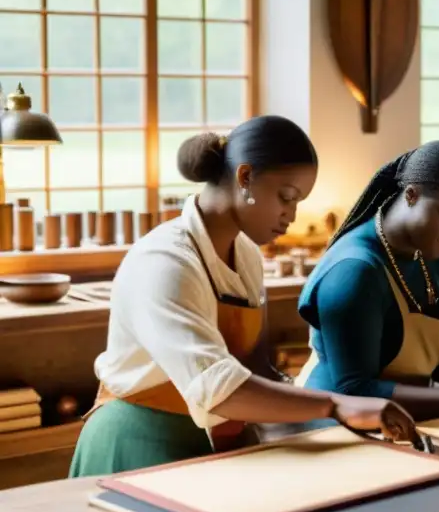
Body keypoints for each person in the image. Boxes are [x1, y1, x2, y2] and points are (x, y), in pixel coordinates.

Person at [69, 117, 418, 478]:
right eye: (286, 197)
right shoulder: (164, 262)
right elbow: (220, 389)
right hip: (138, 441)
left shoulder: (246, 254)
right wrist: (335, 405)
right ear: (245, 177)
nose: (292, 215)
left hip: (212, 439)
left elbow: (253, 366)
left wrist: (327, 418)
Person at [294, 140, 439, 423]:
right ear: (411, 195)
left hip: (401, 422)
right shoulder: (354, 271)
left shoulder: (429, 250)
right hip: (333, 430)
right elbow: (353, 391)